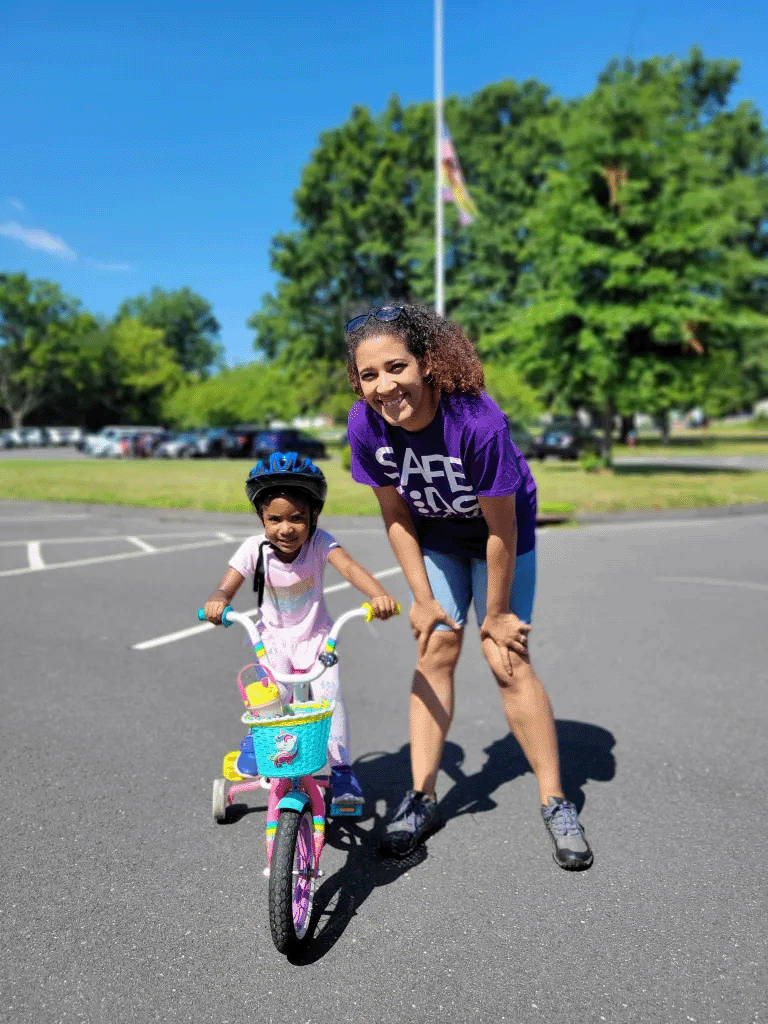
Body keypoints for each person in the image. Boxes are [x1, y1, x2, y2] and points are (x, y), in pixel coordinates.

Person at [345, 304, 593, 870]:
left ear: (427, 363)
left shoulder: (476, 421)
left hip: (497, 536)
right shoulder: (365, 425)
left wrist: (498, 612)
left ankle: (556, 802)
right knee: (436, 646)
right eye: (368, 375)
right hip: (434, 534)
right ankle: (421, 798)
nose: (385, 386)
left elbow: (500, 528)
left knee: (505, 657)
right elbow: (396, 515)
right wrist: (423, 598)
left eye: (396, 367)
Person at [203, 452, 399, 807]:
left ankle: (341, 771)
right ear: (262, 518)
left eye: (297, 518)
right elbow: (225, 587)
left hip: (317, 637)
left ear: (313, 516)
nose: (286, 528)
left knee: (328, 700)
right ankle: (257, 744)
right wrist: (218, 601)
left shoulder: (320, 543)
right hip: (273, 639)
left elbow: (351, 568)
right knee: (270, 697)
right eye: (274, 519)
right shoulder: (253, 549)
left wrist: (379, 594)